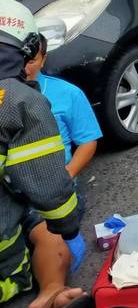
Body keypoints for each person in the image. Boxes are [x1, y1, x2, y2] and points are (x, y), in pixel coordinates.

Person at [0, 0, 90, 308]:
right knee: (49, 231)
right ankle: (52, 292)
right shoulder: (18, 99)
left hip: (17, 192)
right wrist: (66, 224)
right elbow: (46, 184)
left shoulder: (65, 93)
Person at [24, 34, 102, 215]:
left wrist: (66, 177)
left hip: (55, 190)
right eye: (18, 60)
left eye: (31, 61)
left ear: (43, 60)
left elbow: (88, 141)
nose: (24, 68)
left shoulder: (68, 94)